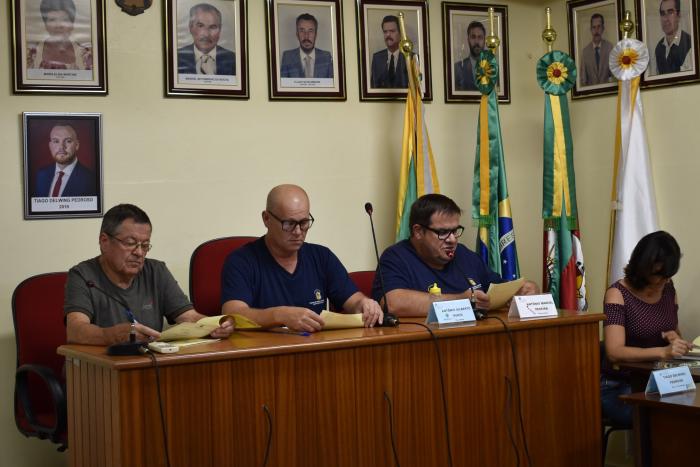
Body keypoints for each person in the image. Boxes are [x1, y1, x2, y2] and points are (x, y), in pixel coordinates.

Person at [221, 184, 383, 332]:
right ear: (266, 219)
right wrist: (280, 315)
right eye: (289, 224)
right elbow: (233, 314)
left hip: (315, 348)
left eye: (304, 222)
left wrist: (365, 305)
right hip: (265, 351)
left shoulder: (322, 257)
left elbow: (353, 301)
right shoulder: (241, 261)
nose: (298, 232)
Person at [65, 204, 234, 345]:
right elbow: (75, 330)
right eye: (130, 243)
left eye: (145, 245)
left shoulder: (156, 271)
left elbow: (188, 317)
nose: (139, 253)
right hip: (97, 368)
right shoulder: (82, 276)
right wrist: (114, 335)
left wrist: (215, 325)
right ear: (104, 241)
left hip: (148, 364)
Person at [372, 194, 538, 317]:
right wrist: (462, 300)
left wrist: (522, 290)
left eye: (455, 231)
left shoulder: (465, 255)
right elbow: (393, 303)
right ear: (418, 231)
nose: (452, 239)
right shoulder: (395, 258)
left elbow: (498, 290)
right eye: (443, 232)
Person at [602, 230, 692, 426]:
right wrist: (663, 351)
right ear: (643, 267)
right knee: (664, 419)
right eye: (659, 275)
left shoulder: (668, 289)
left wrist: (675, 339)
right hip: (621, 385)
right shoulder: (618, 294)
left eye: (668, 275)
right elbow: (614, 352)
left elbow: (674, 330)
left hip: (660, 380)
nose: (664, 281)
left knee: (689, 413)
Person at [34, 123, 96, 198]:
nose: (61, 147)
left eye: (68, 141)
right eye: (56, 141)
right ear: (50, 146)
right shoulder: (41, 175)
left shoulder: (90, 180)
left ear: (77, 145)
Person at [26, 0, 92, 70]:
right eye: (52, 20)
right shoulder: (29, 54)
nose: (58, 26)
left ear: (72, 25)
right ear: (45, 25)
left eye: (64, 20)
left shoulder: (87, 55)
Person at [178, 3, 236, 76]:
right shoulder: (176, 57)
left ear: (220, 29)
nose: (206, 34)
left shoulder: (234, 60)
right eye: (200, 26)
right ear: (190, 27)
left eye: (213, 27)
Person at [280, 13, 333, 79]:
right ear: (297, 34)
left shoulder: (326, 57)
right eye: (302, 31)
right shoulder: (287, 57)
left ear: (316, 34)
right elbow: (282, 83)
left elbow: (332, 84)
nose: (306, 36)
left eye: (310, 31)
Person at [650, 0, 692, 75]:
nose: (665, 19)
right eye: (662, 14)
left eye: (670, 12)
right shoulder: (658, 48)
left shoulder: (690, 44)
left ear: (679, 16)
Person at [370, 15, 408, 88]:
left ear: (401, 34)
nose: (388, 35)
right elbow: (373, 87)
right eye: (385, 32)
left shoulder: (410, 57)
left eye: (392, 31)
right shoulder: (377, 58)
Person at [580, 13, 613, 86]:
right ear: (591, 29)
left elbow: (613, 74)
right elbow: (583, 79)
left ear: (603, 28)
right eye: (594, 27)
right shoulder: (585, 52)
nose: (596, 30)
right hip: (591, 92)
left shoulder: (609, 48)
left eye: (599, 26)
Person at [454, 21, 485, 91]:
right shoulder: (457, 68)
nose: (476, 42)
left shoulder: (494, 68)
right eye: (473, 37)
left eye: (480, 37)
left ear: (484, 40)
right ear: (468, 40)